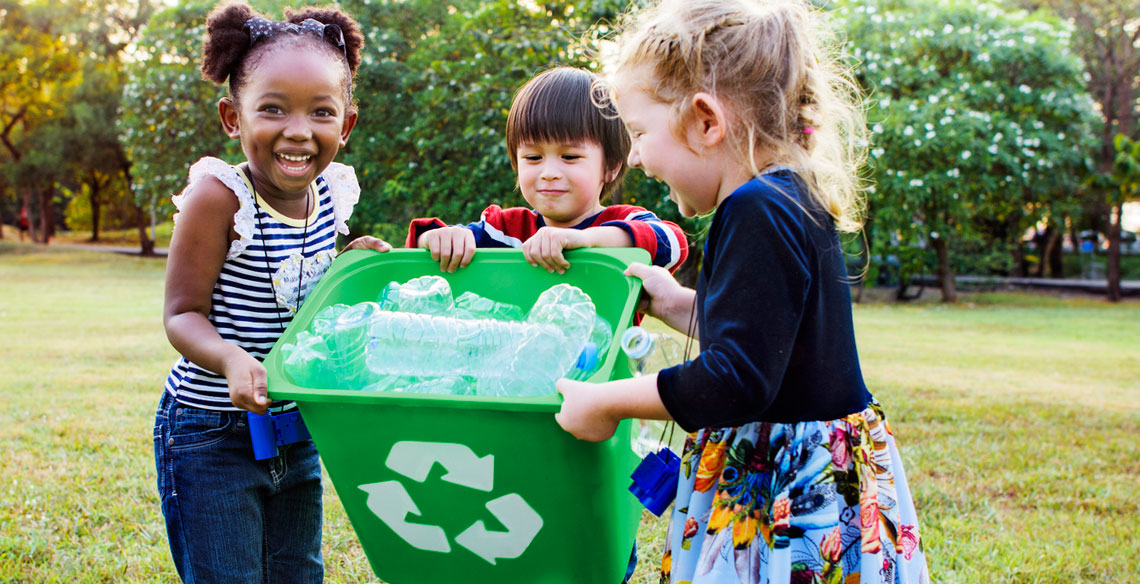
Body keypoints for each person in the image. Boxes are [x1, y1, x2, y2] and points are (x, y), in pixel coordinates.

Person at [554, 1, 930, 583]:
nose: (638, 158)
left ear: (705, 122)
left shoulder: (754, 209)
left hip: (783, 487)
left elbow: (736, 378)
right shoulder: (789, 195)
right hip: (818, 466)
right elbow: (768, 337)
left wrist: (605, 401)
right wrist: (674, 302)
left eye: (640, 133)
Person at [155, 3, 389, 583]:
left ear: (346, 125)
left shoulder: (331, 193)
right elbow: (182, 313)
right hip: (212, 431)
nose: (298, 130)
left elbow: (302, 293)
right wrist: (231, 359)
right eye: (273, 109)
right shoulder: (219, 198)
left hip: (295, 426)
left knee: (298, 572)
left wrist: (348, 268)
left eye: (321, 112)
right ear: (232, 117)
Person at [406, 66, 688, 276]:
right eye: (533, 157)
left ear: (611, 166)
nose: (549, 172)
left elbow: (673, 243)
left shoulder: (622, 222)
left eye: (569, 156)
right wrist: (441, 238)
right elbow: (422, 243)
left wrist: (585, 240)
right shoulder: (505, 231)